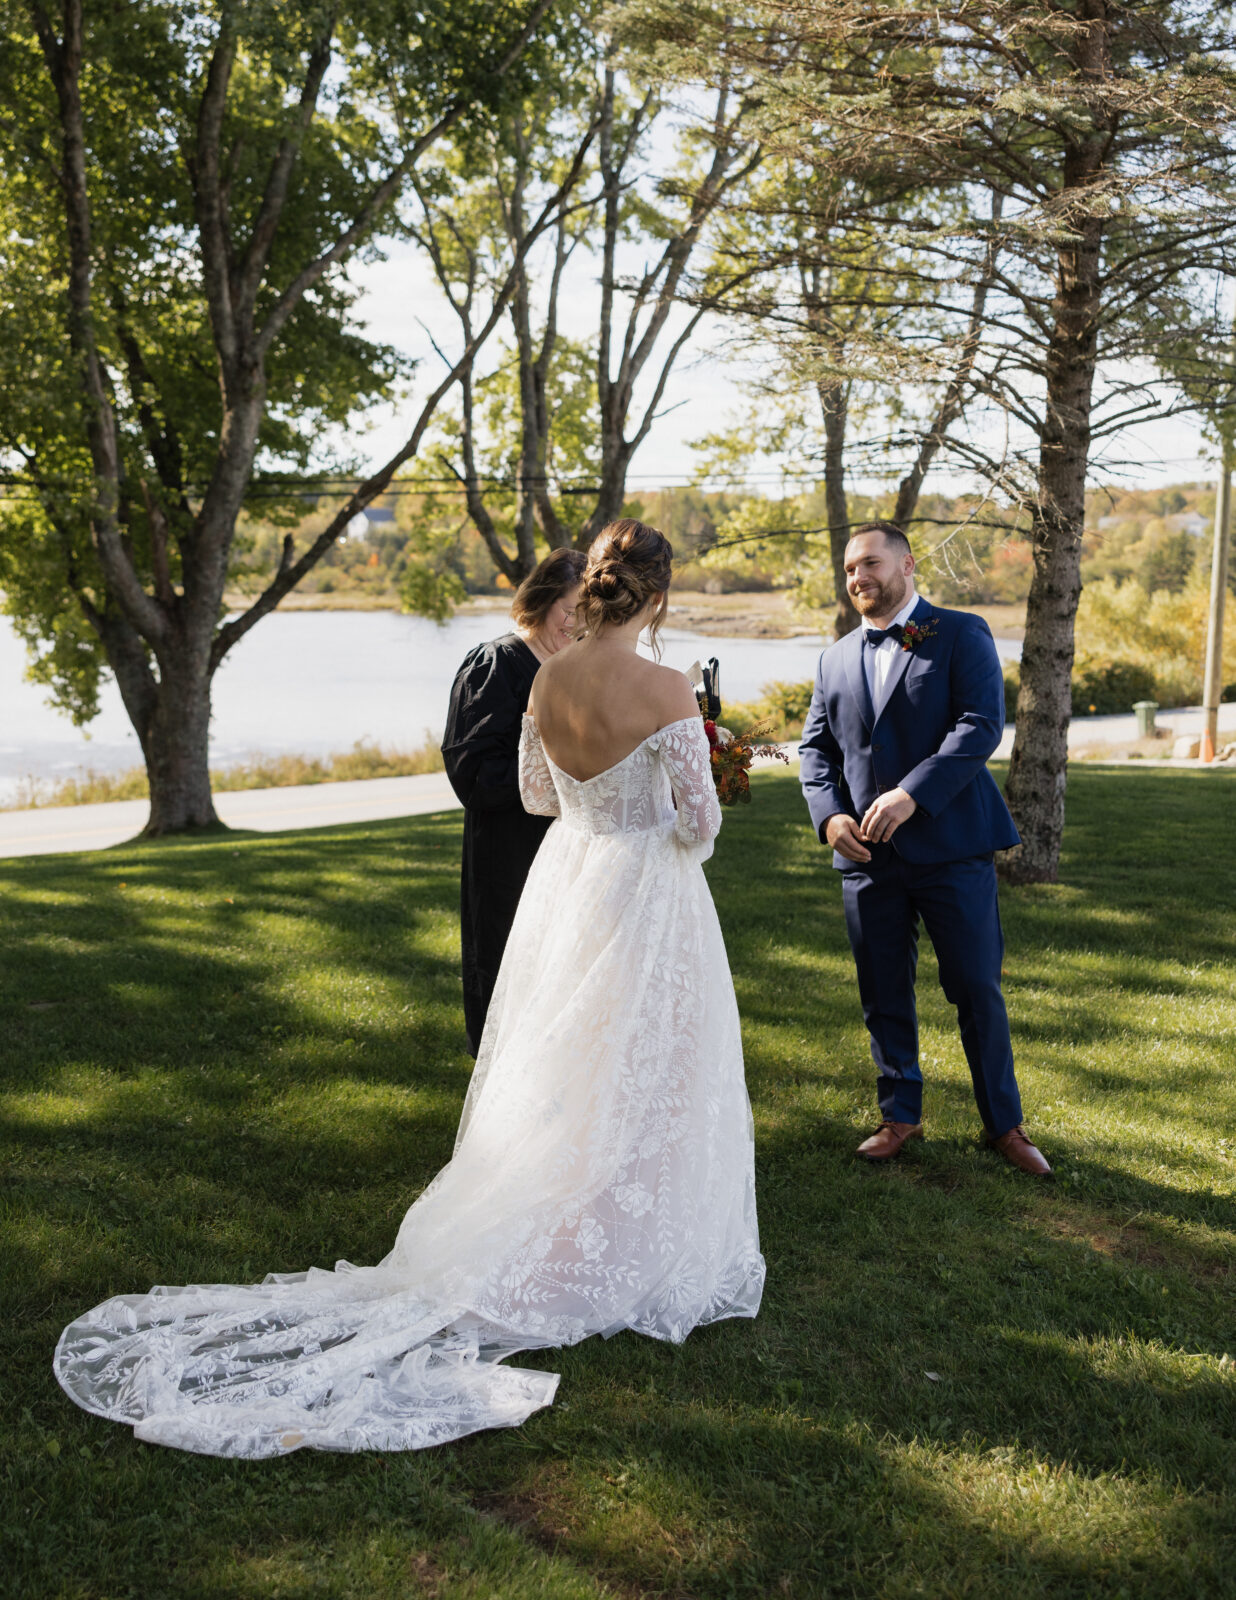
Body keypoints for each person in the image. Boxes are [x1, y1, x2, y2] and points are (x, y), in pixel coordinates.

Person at [53, 518, 764, 1457]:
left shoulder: (546, 676)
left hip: (569, 880)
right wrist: (675, 805)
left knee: (566, 1058)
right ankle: (627, 1235)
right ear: (659, 595)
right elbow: (700, 823)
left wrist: (604, 808)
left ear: (590, 588)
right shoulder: (670, 687)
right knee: (653, 1058)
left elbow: (538, 795)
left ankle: (559, 1213)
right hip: (645, 890)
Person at [799, 520, 1051, 1177]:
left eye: (872, 563)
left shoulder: (961, 633)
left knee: (975, 987)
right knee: (883, 991)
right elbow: (815, 751)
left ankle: (1005, 1125)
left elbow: (980, 726)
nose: (860, 577)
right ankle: (899, 1115)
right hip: (866, 861)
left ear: (907, 565)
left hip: (952, 847)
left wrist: (913, 794)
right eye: (851, 567)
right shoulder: (832, 659)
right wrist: (829, 820)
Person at [442, 548, 585, 1055]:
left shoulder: (579, 671)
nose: (578, 623)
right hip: (507, 857)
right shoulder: (497, 663)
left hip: (569, 852)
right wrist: (556, 767)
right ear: (542, 600)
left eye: (589, 612)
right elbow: (472, 776)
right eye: (570, 609)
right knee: (508, 972)